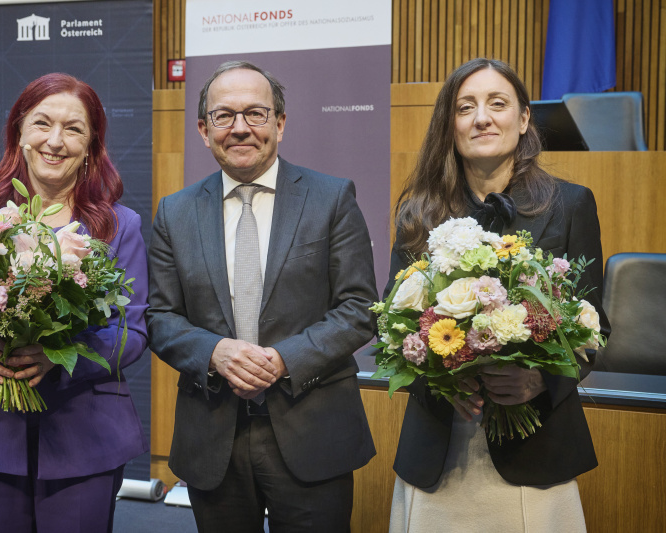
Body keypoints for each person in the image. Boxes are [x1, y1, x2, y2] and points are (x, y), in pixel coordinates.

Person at [147, 60, 377, 532]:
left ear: (280, 123)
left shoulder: (332, 199)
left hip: (311, 428)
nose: (240, 128)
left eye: (255, 113)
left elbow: (358, 309)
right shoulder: (175, 212)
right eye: (224, 116)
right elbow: (160, 317)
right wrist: (215, 351)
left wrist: (283, 359)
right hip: (214, 435)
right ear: (203, 130)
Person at [384, 58, 611, 532]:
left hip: (537, 448)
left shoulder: (571, 204)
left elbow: (594, 326)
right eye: (465, 107)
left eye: (497, 104)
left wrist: (540, 381)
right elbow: (389, 323)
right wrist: (441, 376)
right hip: (439, 450)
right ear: (451, 124)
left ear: (524, 118)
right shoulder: (418, 213)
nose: (481, 118)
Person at [0, 73, 149, 533]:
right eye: (41, 123)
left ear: (92, 144)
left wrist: (59, 358)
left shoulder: (119, 227)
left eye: (73, 128)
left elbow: (132, 330)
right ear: (19, 132)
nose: (55, 141)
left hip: (84, 433)